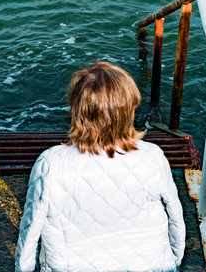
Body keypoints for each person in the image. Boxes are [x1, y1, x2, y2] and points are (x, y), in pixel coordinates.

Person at [15, 61, 185, 272]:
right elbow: (175, 217)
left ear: (77, 111)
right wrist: (175, 261)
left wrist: (24, 269)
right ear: (128, 109)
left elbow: (31, 229)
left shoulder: (51, 163)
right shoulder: (153, 156)